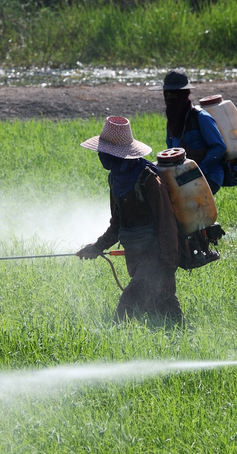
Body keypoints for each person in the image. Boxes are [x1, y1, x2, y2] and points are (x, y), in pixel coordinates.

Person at [76, 116, 182, 321]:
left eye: (104, 153)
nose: (101, 156)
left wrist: (168, 267)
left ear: (119, 155)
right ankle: (186, 343)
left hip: (157, 259)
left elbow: (167, 224)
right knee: (165, 315)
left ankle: (116, 343)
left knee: (127, 308)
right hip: (136, 257)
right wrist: (96, 247)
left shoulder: (149, 180)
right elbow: (117, 224)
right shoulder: (115, 179)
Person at [161, 68, 226, 195]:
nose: (169, 98)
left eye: (174, 94)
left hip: (209, 176)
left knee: (190, 208)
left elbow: (219, 147)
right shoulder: (172, 121)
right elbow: (170, 151)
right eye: (167, 94)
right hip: (183, 179)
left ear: (184, 94)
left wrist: (198, 172)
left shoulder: (201, 117)